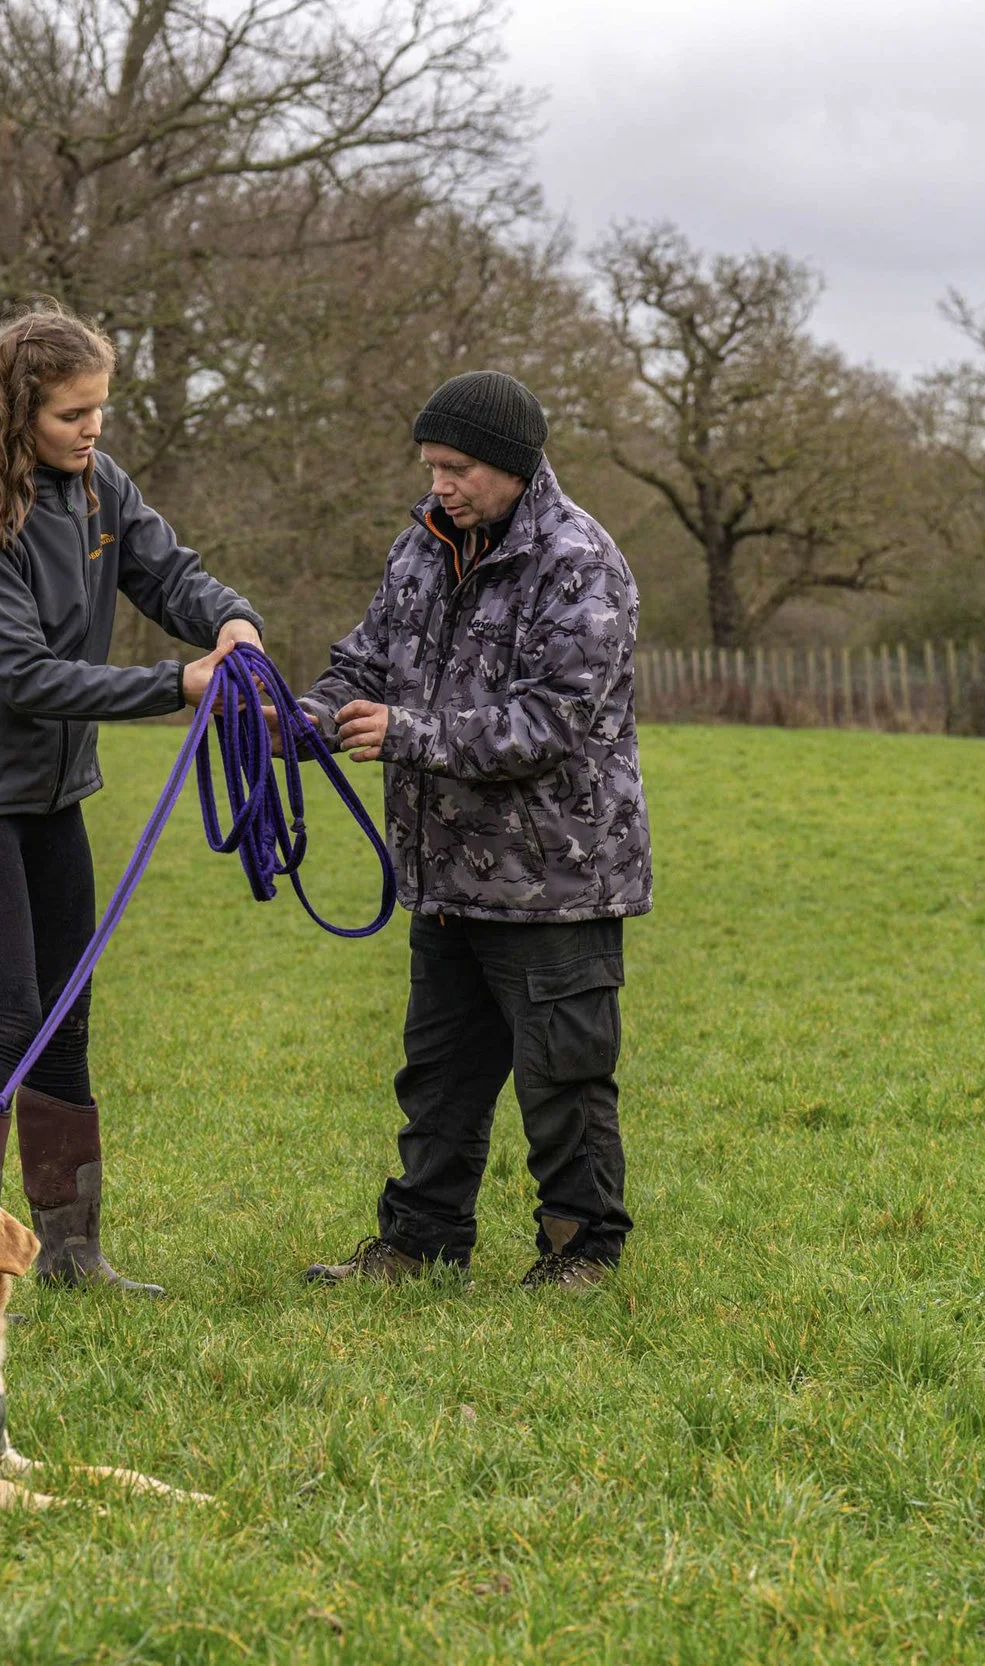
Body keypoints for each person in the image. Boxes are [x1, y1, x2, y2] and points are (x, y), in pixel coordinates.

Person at [0, 304, 263, 1295]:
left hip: (52, 797)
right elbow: (27, 676)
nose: (92, 427)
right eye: (71, 413)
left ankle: (70, 1254)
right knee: (7, 1016)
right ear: (21, 413)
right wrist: (173, 685)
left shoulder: (101, 486)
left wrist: (228, 622)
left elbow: (168, 572)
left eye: (99, 407)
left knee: (65, 1019)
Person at [296, 370, 651, 1289]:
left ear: (512, 466)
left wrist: (407, 734)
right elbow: (364, 660)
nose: (440, 485)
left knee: (563, 1079)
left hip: (556, 882)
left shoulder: (580, 563)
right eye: (432, 467)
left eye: (457, 469)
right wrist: (301, 718)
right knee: (438, 1075)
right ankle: (420, 1241)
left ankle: (583, 1253)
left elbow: (556, 722)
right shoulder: (419, 548)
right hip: (446, 871)